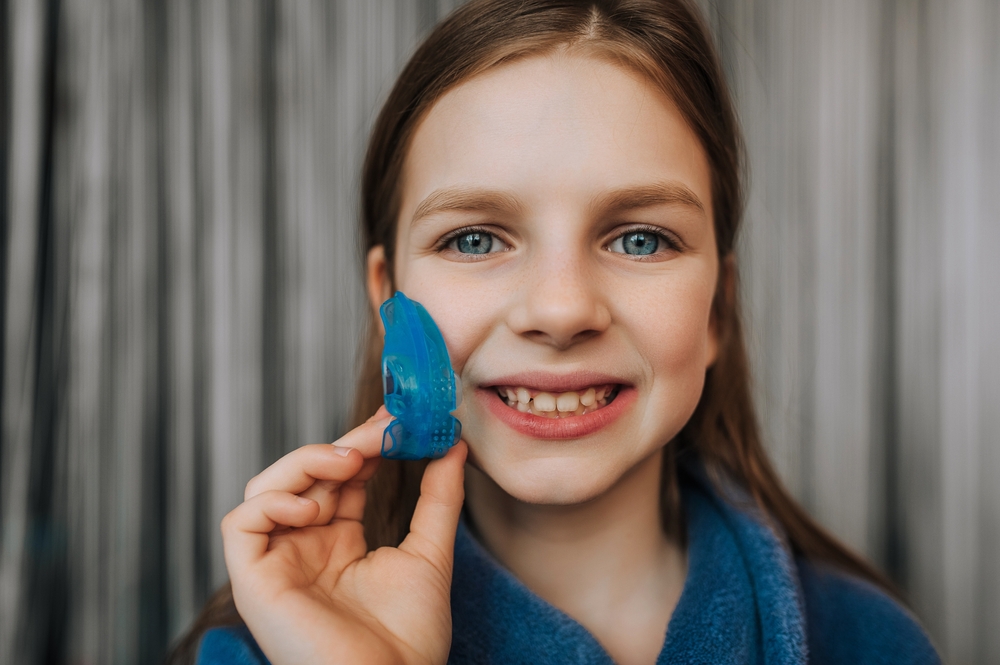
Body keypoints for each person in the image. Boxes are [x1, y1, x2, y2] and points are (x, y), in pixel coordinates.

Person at [169, 1, 941, 663]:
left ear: (717, 312)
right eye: (475, 239)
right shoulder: (265, 649)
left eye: (640, 238)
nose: (563, 309)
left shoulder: (872, 641)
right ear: (388, 300)